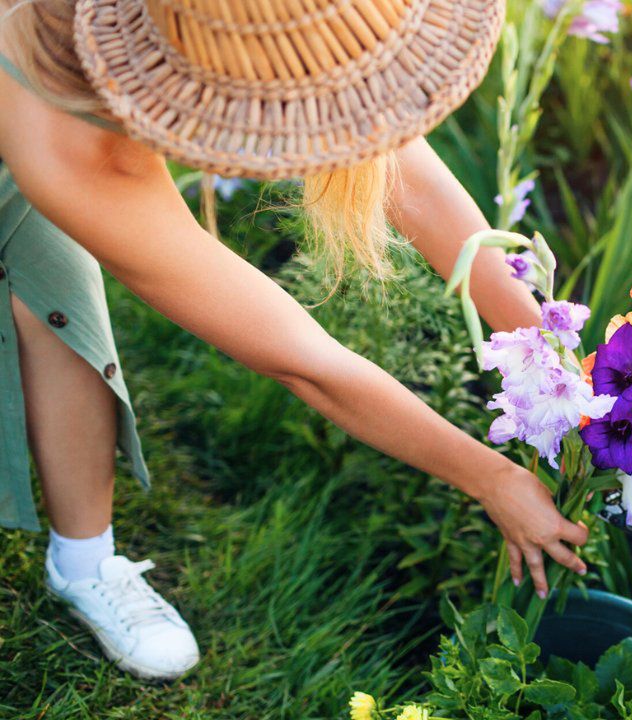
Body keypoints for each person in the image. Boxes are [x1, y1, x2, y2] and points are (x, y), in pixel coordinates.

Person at [0, 0, 588, 681]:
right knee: (56, 273)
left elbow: (396, 154)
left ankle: (82, 561)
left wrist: (546, 346)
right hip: (28, 109)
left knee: (52, 299)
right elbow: (302, 361)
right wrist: (491, 477)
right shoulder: (73, 143)